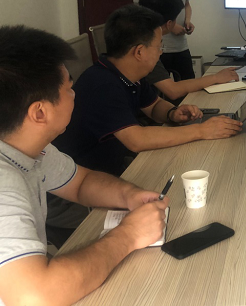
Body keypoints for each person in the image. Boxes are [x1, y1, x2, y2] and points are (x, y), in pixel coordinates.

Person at [0, 25, 169, 305]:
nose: (75, 94)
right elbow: (35, 295)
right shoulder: (4, 183)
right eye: (68, 88)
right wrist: (129, 235)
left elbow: (80, 183)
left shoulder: (32, 148)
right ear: (39, 112)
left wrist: (129, 195)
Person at [51, 4, 243, 177]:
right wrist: (201, 130)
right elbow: (137, 140)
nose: (161, 52)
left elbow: (153, 106)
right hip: (81, 178)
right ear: (140, 52)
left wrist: (172, 113)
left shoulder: (129, 74)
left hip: (112, 165)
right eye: (159, 46)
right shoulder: (102, 84)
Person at [138, 0, 239, 103]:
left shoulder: (138, 36)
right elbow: (172, 90)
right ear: (169, 23)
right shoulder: (147, 49)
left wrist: (171, 112)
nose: (160, 51)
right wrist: (216, 78)